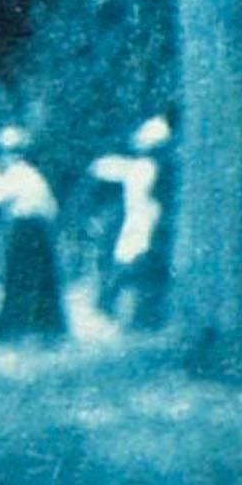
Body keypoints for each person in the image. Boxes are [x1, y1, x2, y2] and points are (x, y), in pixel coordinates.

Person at [89, 114, 173, 332]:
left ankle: (116, 305)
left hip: (142, 217)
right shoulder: (147, 167)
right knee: (133, 262)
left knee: (131, 262)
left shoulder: (141, 167)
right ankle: (113, 304)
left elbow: (109, 167)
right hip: (144, 217)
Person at [0, 124, 66, 343]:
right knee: (41, 280)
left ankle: (15, 331)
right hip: (39, 230)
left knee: (20, 279)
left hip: (24, 230)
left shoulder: (16, 173)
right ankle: (46, 329)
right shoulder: (32, 173)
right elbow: (52, 207)